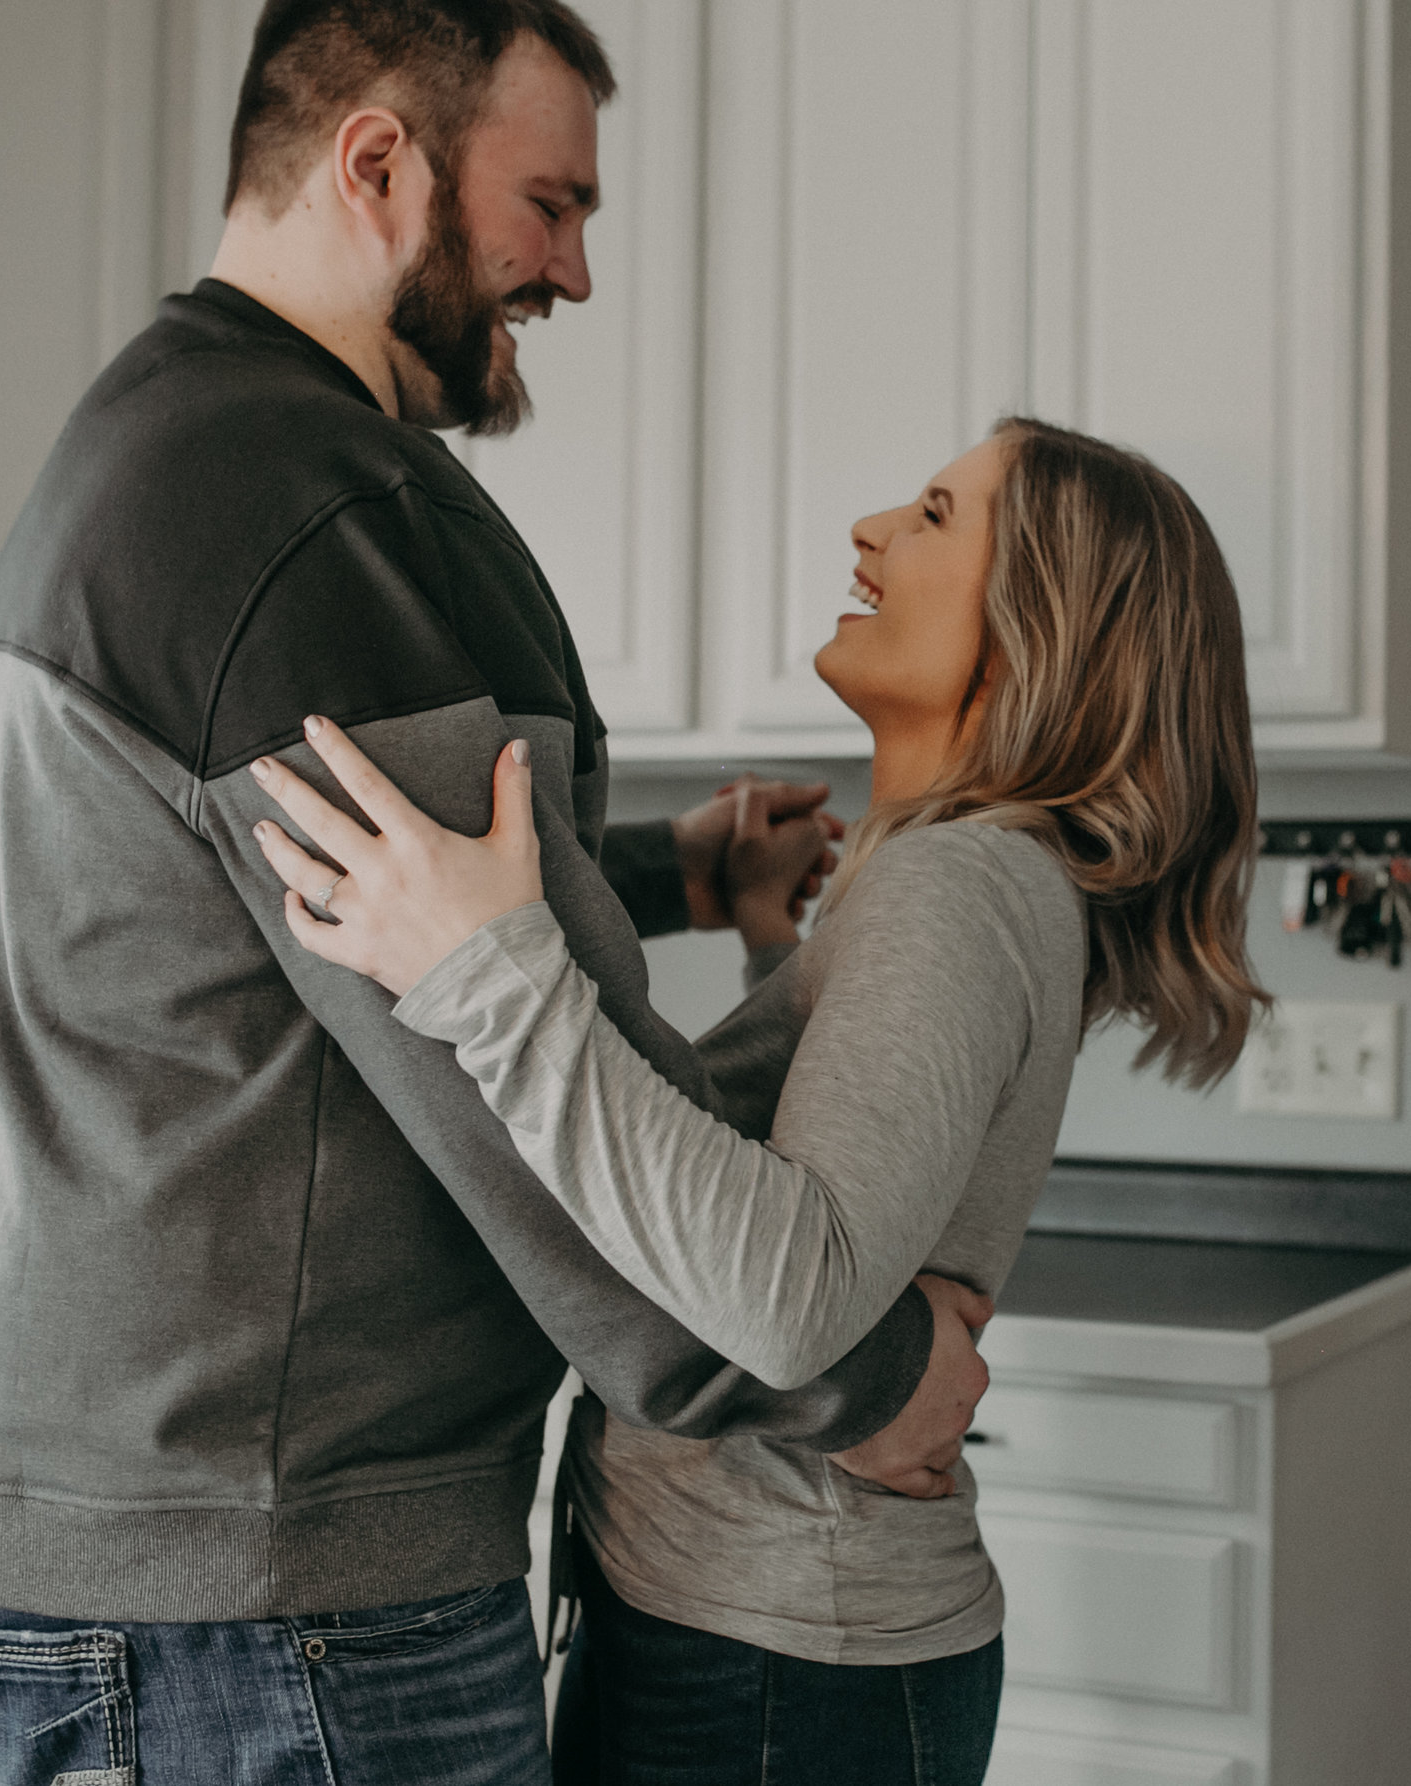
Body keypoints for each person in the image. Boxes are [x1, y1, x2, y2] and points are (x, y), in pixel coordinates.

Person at [0, 6, 991, 1784]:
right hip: (262, 1576)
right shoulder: (299, 512)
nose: (571, 268)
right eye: (548, 205)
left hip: (151, 1535)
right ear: (379, 161)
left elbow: (310, 905)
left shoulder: (182, 434)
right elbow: (479, 1067)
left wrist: (674, 874)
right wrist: (849, 1381)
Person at [248, 416, 1270, 1783]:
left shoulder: (958, 885)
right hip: (772, 1640)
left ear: (1043, 627)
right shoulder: (949, 875)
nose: (870, 531)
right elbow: (833, 1159)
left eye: (933, 515)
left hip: (778, 1664)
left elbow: (791, 1290)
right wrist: (760, 942)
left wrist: (483, 973)